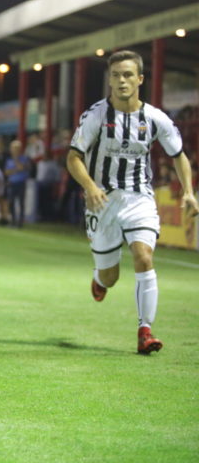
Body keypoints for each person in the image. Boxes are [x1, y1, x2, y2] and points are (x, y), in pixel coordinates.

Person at [67, 50, 197, 354]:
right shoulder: (96, 115)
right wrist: (89, 186)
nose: (121, 81)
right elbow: (73, 157)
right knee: (110, 278)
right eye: (115, 75)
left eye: (127, 75)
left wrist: (189, 192)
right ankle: (100, 278)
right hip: (102, 202)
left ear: (140, 79)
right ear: (109, 80)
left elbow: (179, 156)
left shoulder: (154, 118)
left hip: (140, 198)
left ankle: (145, 331)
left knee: (144, 257)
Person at [4, 140, 30, 227]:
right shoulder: (8, 160)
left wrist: (16, 160)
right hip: (12, 183)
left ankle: (20, 222)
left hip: (21, 183)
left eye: (15, 148)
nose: (13, 150)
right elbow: (7, 172)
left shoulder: (24, 158)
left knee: (21, 203)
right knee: (11, 202)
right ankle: (13, 220)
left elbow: (21, 167)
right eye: (12, 148)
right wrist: (15, 170)